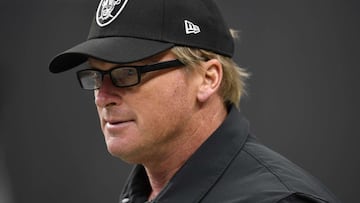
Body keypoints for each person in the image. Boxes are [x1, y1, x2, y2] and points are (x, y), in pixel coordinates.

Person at [49, 0, 341, 202]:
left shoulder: (277, 200)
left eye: (127, 72)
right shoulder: (143, 192)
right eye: (96, 76)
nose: (102, 96)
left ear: (207, 78)